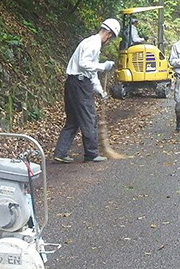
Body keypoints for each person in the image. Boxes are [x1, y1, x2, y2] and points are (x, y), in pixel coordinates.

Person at [52, 18, 120, 164]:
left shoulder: (90, 42)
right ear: (108, 33)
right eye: (111, 37)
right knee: (89, 118)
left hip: (73, 83)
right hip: (79, 84)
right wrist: (103, 66)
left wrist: (99, 90)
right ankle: (91, 153)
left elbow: (91, 71)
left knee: (73, 120)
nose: (109, 40)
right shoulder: (93, 44)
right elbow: (84, 64)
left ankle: (60, 152)